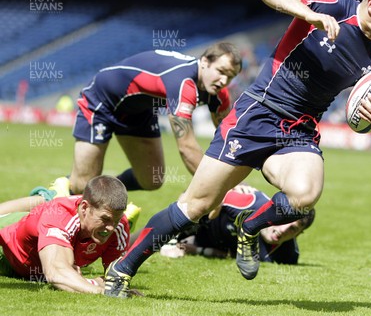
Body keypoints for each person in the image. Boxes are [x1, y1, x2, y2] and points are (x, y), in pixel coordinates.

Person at [101, 0, 371, 297]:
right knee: (195, 206)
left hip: (299, 131)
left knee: (305, 195)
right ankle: (121, 269)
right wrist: (306, 13)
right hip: (257, 114)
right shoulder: (331, 5)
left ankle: (248, 227)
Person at [32, 43, 242, 204]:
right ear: (204, 61)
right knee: (80, 187)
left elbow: (226, 140)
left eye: (230, 76)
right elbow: (187, 147)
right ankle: (57, 192)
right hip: (102, 102)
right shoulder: (183, 83)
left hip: (138, 112)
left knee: (151, 180)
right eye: (221, 71)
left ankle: (102, 187)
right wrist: (219, 188)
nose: (224, 81)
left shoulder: (219, 94)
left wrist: (235, 180)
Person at [0, 175, 130, 295]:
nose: (111, 227)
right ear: (84, 208)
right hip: (6, 245)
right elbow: (56, 273)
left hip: (33, 266)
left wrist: (88, 281)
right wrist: (100, 291)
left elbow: (115, 278)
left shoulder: (120, 226)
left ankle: (52, 197)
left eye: (116, 220)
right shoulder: (58, 216)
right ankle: (49, 196)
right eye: (105, 219)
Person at [159, 185, 315, 264]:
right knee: (149, 238)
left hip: (206, 242)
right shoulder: (251, 203)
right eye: (284, 222)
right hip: (194, 224)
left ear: (298, 234)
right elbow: (192, 196)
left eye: (293, 228)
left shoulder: (287, 256)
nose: (282, 230)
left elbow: (233, 255)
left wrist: (198, 250)